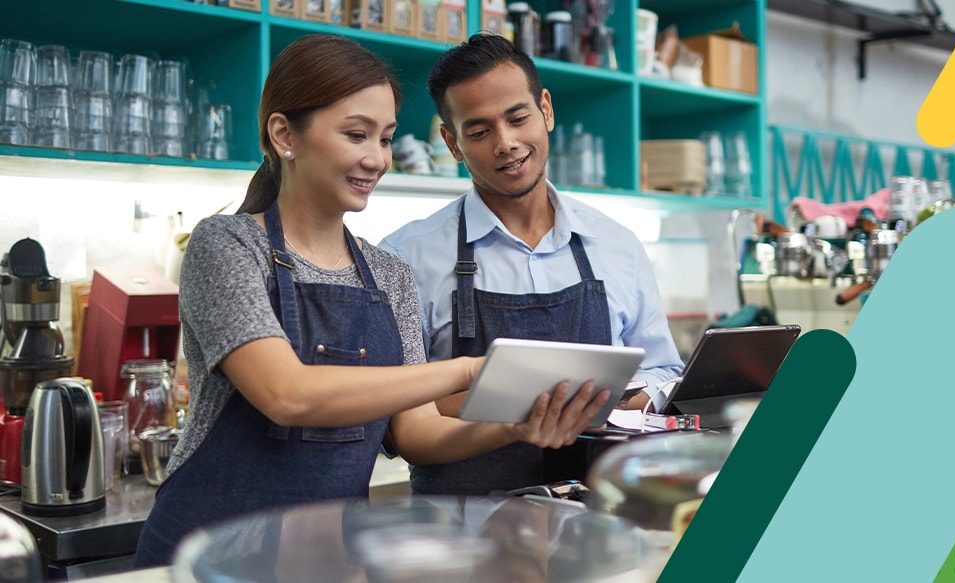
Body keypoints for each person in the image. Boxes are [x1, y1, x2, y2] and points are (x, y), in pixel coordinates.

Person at [132, 34, 609, 568]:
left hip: (327, 557)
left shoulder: (388, 273)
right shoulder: (227, 245)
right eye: (357, 135)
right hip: (207, 555)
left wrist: (513, 427)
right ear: (284, 134)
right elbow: (286, 394)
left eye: (385, 139)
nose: (377, 159)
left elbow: (417, 432)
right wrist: (471, 371)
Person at [379, 33, 685, 496]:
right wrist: (537, 407)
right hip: (461, 538)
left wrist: (617, 397)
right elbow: (401, 417)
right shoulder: (404, 257)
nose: (506, 143)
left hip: (598, 526)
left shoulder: (616, 245)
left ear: (545, 109)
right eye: (479, 132)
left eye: (517, 118)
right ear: (452, 142)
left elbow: (665, 373)